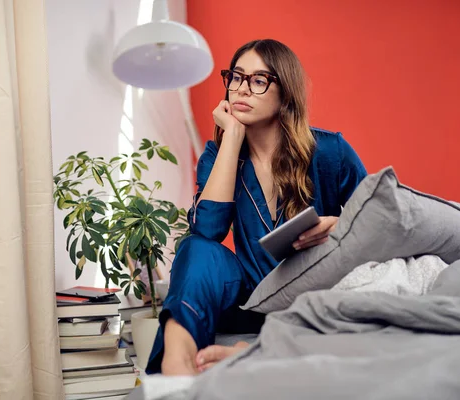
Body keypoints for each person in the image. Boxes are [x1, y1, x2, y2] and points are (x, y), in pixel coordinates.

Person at [145, 39, 367, 376]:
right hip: (250, 300)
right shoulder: (217, 156)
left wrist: (338, 224)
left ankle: (251, 352)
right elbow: (208, 229)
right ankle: (177, 363)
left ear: (285, 93)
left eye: (259, 81)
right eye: (236, 77)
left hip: (314, 293)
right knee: (196, 248)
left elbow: (379, 218)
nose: (242, 89)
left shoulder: (330, 151)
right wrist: (232, 136)